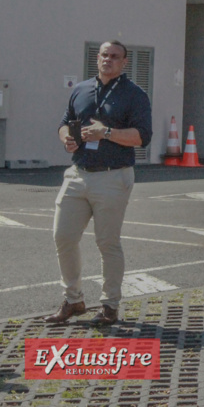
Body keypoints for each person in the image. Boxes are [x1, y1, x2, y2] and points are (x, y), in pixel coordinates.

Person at [44, 40, 152, 325]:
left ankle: (109, 306)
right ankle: (73, 299)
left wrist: (106, 133)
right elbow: (65, 121)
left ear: (124, 62)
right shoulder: (80, 89)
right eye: (104, 55)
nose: (108, 60)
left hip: (113, 175)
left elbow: (141, 137)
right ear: (98, 58)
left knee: (107, 242)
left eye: (115, 57)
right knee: (63, 236)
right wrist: (65, 137)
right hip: (78, 174)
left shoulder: (135, 94)